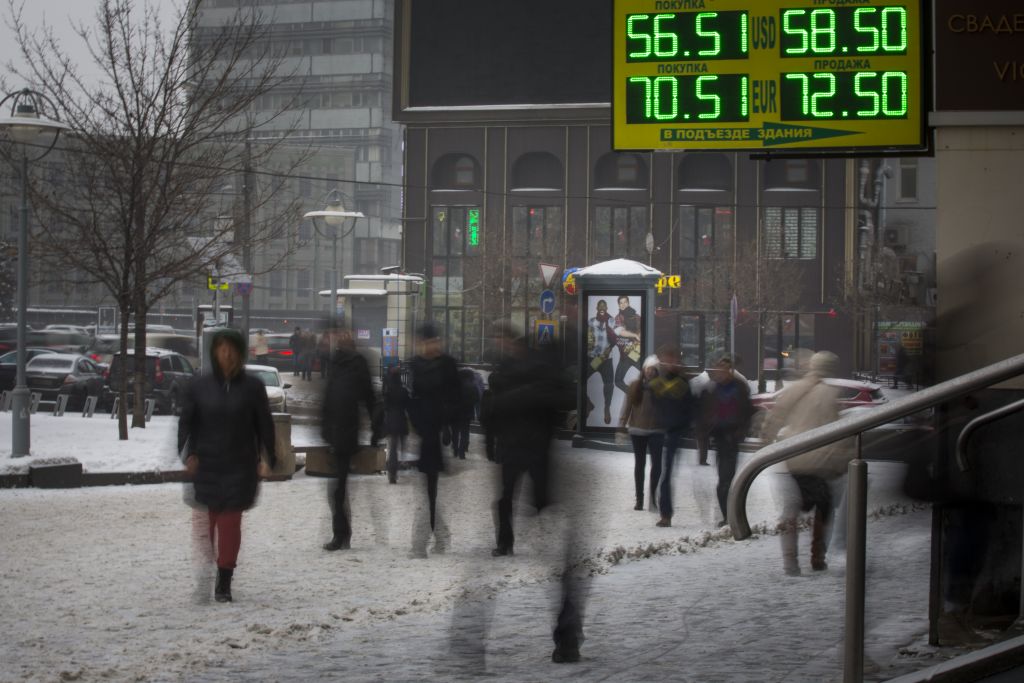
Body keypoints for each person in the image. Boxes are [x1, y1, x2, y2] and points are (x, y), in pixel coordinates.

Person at [178, 328, 276, 603]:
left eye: (232, 349)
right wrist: (188, 454)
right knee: (209, 522)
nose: (227, 354)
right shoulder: (199, 386)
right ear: (215, 352)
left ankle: (224, 578)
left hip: (240, 465)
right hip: (207, 464)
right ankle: (210, 567)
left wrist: (268, 457)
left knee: (230, 522)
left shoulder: (252, 387)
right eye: (222, 348)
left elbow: (264, 424)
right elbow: (187, 423)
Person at [761, 351, 851, 575]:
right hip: (822, 460)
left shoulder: (795, 388)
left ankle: (790, 561)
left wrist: (765, 443)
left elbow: (775, 417)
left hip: (796, 457)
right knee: (823, 509)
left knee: (793, 507)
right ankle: (817, 557)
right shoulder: (830, 393)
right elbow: (836, 428)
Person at [320, 328, 381, 551]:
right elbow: (328, 398)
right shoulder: (335, 362)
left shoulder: (356, 363)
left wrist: (376, 428)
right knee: (336, 489)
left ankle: (341, 535)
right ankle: (342, 534)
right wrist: (325, 428)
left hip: (346, 432)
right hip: (335, 433)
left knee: (338, 488)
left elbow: (369, 397)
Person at [404, 323, 459, 558]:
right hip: (425, 434)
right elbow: (411, 400)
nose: (431, 345)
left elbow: (456, 399)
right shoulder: (415, 366)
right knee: (429, 491)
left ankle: (423, 543)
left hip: (437, 434)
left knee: (430, 491)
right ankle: (438, 537)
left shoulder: (447, 365)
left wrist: (448, 427)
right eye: (427, 341)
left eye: (435, 341)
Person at [700, 354, 753, 526]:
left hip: (732, 438)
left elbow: (746, 412)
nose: (720, 372)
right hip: (720, 438)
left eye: (724, 368)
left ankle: (731, 517)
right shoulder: (713, 389)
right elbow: (706, 412)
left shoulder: (739, 388)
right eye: (719, 368)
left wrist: (740, 431)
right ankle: (728, 516)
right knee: (723, 481)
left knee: (727, 480)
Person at [649, 345, 694, 527]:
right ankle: (658, 506)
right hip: (660, 431)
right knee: (659, 470)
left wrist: (681, 427)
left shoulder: (683, 383)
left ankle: (665, 513)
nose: (671, 363)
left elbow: (689, 409)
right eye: (668, 359)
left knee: (666, 472)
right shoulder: (657, 382)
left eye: (673, 360)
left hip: (674, 432)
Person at [619, 355, 665, 512]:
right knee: (640, 465)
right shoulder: (634, 386)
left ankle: (652, 496)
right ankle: (639, 498)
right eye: (648, 369)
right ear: (643, 370)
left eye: (653, 370)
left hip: (657, 430)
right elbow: (627, 406)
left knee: (657, 465)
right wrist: (621, 425)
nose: (650, 373)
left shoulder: (662, 388)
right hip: (637, 430)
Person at [586, 299, 616, 425]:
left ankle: (606, 408)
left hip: (606, 359)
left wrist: (610, 348)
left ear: (607, 307)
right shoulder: (591, 321)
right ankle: (588, 404)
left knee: (609, 384)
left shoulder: (611, 321)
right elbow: (587, 337)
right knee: (579, 381)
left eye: (604, 305)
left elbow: (616, 337)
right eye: (600, 306)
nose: (602, 307)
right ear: (597, 308)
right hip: (593, 358)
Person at [383, 364, 409, 484]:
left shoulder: (388, 392)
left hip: (391, 421)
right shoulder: (404, 391)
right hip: (401, 420)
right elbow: (408, 407)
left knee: (392, 448)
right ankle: (401, 462)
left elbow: (385, 406)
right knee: (401, 444)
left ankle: (392, 473)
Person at [612, 295, 642, 394]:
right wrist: (635, 335)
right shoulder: (618, 318)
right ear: (618, 305)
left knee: (649, 378)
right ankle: (633, 395)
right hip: (625, 356)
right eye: (621, 303)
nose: (623, 304)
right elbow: (619, 331)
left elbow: (643, 329)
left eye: (625, 302)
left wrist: (638, 339)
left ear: (628, 303)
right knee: (618, 381)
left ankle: (644, 398)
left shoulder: (637, 316)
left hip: (636, 354)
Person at [452, 366, 482, 460]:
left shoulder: (454, 386)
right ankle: (462, 451)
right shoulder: (472, 386)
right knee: (465, 432)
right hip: (467, 412)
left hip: (455, 412)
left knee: (455, 431)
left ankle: (455, 449)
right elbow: (477, 399)